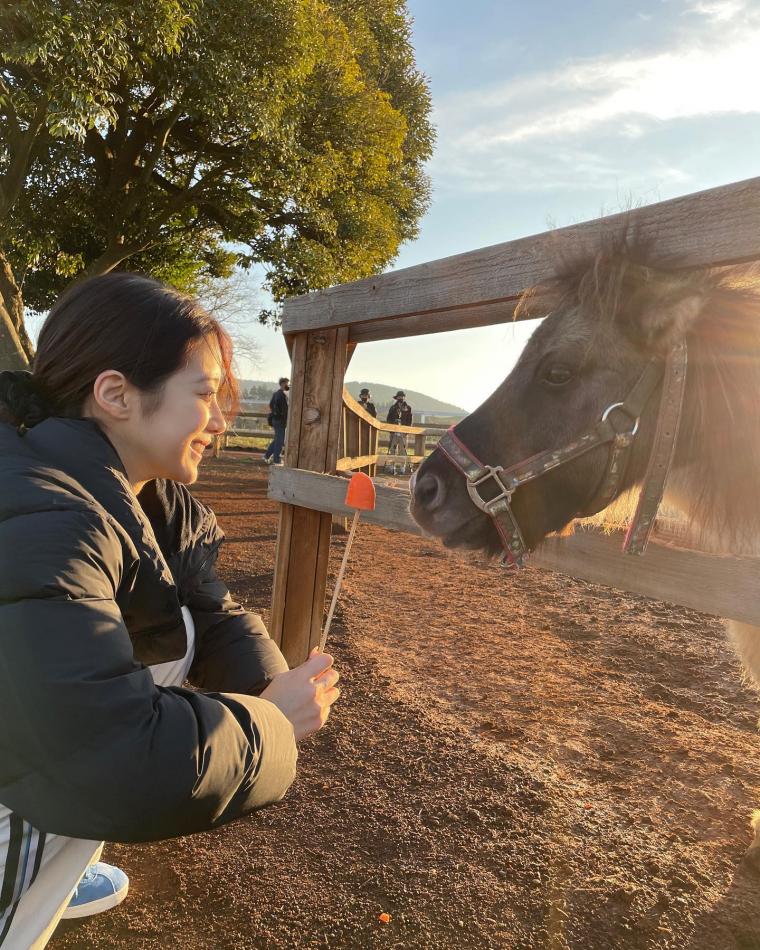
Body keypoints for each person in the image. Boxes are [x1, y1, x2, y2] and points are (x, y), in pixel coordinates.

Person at [0, 274, 340, 948]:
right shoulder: (52, 517)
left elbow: (206, 608)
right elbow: (111, 758)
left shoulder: (139, 496)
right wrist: (270, 723)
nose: (219, 422)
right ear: (116, 394)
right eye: (206, 395)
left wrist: (267, 687)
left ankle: (60, 867)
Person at [385, 390, 413, 474]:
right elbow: (388, 419)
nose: (400, 398)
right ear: (396, 398)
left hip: (403, 432)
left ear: (404, 398)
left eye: (401, 397)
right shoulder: (393, 408)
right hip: (394, 431)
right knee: (392, 449)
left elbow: (409, 420)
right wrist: (391, 429)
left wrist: (406, 431)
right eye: (399, 397)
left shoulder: (408, 408)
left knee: (402, 450)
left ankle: (402, 468)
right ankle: (391, 467)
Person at [264, 377, 289, 465]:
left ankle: (266, 456)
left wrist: (276, 413)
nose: (288, 385)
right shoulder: (282, 395)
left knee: (277, 439)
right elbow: (284, 410)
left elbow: (271, 405)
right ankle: (276, 459)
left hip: (275, 420)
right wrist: (282, 416)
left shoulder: (276, 394)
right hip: (280, 420)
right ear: (282, 384)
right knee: (280, 441)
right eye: (287, 383)